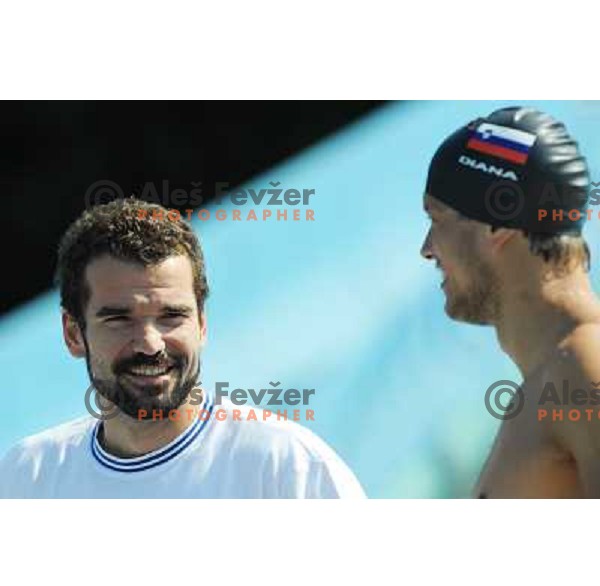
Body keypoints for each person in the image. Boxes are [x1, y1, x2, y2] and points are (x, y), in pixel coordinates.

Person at [0, 198, 365, 498]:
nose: (150, 343)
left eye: (171, 315)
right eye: (119, 319)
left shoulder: (289, 468)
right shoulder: (27, 479)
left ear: (202, 324)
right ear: (73, 333)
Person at [421, 106, 600, 498]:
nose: (426, 249)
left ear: (496, 224)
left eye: (436, 220)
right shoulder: (549, 381)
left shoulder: (585, 361)